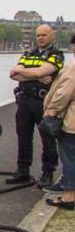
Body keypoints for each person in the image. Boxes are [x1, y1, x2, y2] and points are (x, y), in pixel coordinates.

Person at [7, 24, 65, 187]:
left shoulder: (56, 55)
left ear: (51, 36)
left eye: (44, 35)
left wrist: (31, 73)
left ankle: (48, 172)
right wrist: (38, 77)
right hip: (25, 100)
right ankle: (23, 170)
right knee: (23, 135)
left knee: (47, 137)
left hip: (43, 101)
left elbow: (39, 71)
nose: (40, 38)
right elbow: (13, 73)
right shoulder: (29, 53)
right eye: (38, 35)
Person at [41, 34, 75, 210]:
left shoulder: (74, 68)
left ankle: (69, 196)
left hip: (72, 122)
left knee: (69, 158)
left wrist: (51, 110)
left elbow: (64, 93)